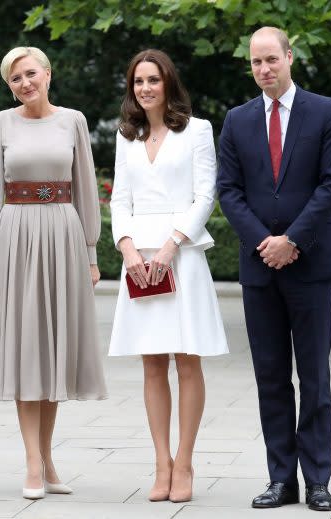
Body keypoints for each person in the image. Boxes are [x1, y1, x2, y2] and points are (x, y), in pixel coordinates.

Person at [217, 27, 331, 511]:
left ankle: (317, 480)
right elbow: (228, 191)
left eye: (271, 59)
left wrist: (292, 239)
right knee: (270, 377)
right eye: (255, 62)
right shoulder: (237, 120)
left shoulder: (324, 112)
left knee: (314, 376)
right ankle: (281, 479)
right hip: (259, 269)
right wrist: (263, 242)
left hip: (310, 264)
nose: (264, 69)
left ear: (290, 57)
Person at [0, 46, 107, 500]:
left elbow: (86, 185)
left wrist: (90, 252)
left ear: (48, 74)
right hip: (16, 238)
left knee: (52, 351)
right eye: (15, 79)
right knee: (27, 348)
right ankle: (32, 463)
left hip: (64, 235)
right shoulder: (0, 123)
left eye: (30, 74)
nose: (24, 83)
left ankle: (47, 460)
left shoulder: (74, 121)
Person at [108, 49, 229, 504]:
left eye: (153, 80)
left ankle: (185, 461)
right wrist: (126, 249)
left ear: (168, 83)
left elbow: (206, 195)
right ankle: (160, 463)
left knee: (187, 358)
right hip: (138, 261)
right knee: (152, 361)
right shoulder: (127, 135)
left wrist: (171, 245)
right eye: (138, 81)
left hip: (181, 254)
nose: (145, 88)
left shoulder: (197, 130)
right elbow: (120, 199)